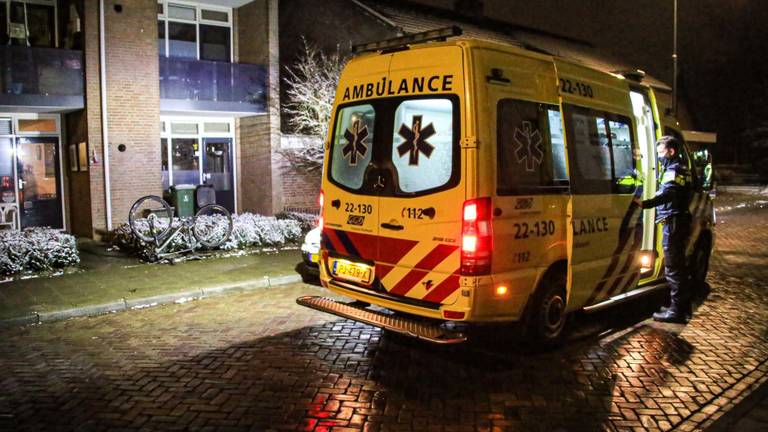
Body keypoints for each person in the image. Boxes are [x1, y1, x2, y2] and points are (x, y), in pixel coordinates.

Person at [634, 135, 693, 323]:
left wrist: (645, 204)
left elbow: (668, 194)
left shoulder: (673, 170)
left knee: (673, 269)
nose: (659, 156)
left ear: (671, 151)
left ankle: (676, 312)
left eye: (661, 152)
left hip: (673, 222)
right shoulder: (682, 169)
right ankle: (682, 307)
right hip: (679, 220)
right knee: (679, 267)